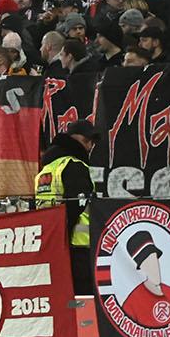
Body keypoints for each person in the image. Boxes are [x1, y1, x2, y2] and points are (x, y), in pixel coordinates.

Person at [36, 119, 97, 293]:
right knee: (83, 298)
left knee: (61, 294)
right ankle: (83, 322)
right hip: (78, 245)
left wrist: (55, 240)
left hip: (52, 243)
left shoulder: (46, 170)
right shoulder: (74, 165)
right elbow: (75, 206)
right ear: (73, 140)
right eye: (86, 141)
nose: (90, 146)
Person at [120, 232, 170, 328]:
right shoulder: (130, 305)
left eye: (154, 260)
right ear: (141, 269)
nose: (153, 267)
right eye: (146, 263)